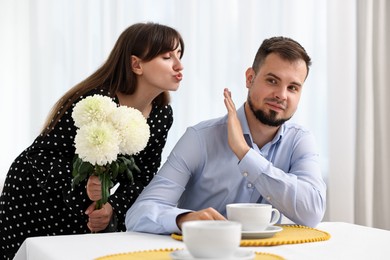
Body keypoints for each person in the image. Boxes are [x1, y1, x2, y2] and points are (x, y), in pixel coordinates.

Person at [0, 22, 184, 259]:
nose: (179, 65)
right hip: (35, 195)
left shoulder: (161, 114)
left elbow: (143, 175)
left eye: (179, 55)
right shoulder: (95, 101)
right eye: (167, 57)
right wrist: (82, 183)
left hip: (87, 207)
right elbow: (41, 156)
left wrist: (112, 207)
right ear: (136, 64)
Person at [126, 36, 326, 235]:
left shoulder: (299, 140)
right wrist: (184, 219)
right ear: (250, 78)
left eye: (292, 87)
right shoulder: (200, 138)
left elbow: (312, 212)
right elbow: (138, 214)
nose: (282, 95)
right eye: (272, 80)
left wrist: (244, 153)